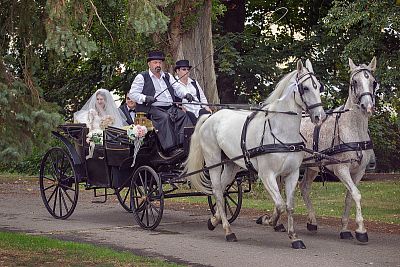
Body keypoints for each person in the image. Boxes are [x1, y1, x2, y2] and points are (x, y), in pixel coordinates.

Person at [129, 51, 194, 155]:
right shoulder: (142, 77)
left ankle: (185, 144)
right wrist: (145, 98)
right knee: (164, 118)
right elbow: (132, 94)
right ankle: (171, 149)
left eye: (159, 62)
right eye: (155, 62)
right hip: (151, 108)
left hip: (169, 107)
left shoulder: (167, 76)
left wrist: (186, 94)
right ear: (149, 64)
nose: (158, 65)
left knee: (183, 116)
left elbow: (177, 88)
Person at [174, 59, 212, 124]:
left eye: (188, 69)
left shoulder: (194, 82)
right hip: (186, 111)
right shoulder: (174, 83)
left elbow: (202, 97)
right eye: (184, 69)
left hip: (198, 109)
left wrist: (206, 107)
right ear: (177, 71)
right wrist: (179, 108)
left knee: (208, 116)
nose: (186, 71)